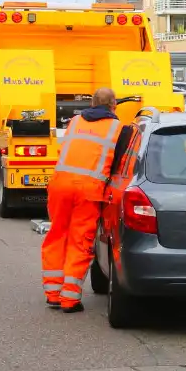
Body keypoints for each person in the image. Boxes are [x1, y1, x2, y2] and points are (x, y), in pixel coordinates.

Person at [42, 88, 133, 312]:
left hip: (59, 185)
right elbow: (119, 165)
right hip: (88, 190)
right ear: (114, 105)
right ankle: (69, 298)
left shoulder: (74, 121)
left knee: (57, 235)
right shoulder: (119, 128)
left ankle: (53, 293)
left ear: (92, 104)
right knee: (79, 240)